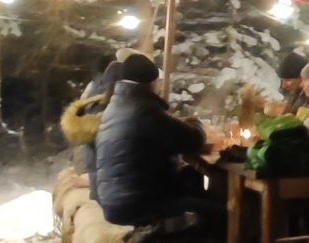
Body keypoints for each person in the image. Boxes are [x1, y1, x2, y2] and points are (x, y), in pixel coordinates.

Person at [91, 53, 221, 230]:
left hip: (115, 199)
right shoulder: (143, 110)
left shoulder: (116, 105)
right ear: (151, 83)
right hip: (137, 204)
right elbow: (192, 141)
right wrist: (195, 123)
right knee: (222, 212)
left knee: (191, 176)